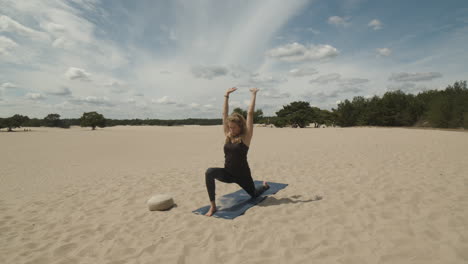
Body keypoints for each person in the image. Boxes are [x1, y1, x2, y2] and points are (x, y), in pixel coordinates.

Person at [204, 87, 269, 216]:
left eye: (234, 127)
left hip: (242, 175)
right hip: (228, 173)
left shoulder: (246, 137)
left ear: (240, 126)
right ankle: (213, 206)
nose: (231, 129)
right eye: (229, 127)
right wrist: (226, 95)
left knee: (254, 194)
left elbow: (250, 113)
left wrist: (254, 94)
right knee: (209, 172)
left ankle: (264, 186)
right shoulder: (228, 134)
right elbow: (224, 114)